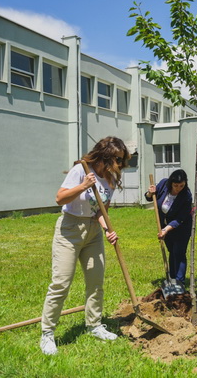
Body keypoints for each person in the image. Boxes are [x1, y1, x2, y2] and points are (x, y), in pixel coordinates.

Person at [40, 136, 130, 355]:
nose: (120, 165)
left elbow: (101, 210)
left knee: (96, 281)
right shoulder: (81, 170)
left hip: (93, 232)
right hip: (70, 230)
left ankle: (94, 325)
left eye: (122, 160)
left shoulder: (109, 179)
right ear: (107, 155)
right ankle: (47, 334)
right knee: (61, 283)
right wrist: (84, 185)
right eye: (118, 159)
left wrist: (108, 229)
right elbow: (60, 199)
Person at [145, 169, 193, 289]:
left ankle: (180, 283)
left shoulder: (186, 195)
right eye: (175, 185)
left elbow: (180, 218)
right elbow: (150, 198)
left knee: (179, 253)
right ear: (171, 182)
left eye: (181, 185)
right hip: (164, 225)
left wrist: (166, 230)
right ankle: (172, 279)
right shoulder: (163, 184)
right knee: (172, 251)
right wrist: (150, 193)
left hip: (181, 227)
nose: (178, 188)